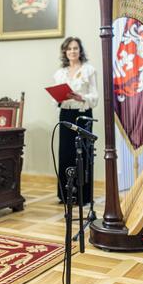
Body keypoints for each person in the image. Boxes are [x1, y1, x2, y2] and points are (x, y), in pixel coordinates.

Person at [53, 36, 98, 205]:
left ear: (80, 51)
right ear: (65, 52)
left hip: (82, 115)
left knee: (82, 154)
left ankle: (83, 196)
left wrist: (81, 97)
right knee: (65, 153)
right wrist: (58, 97)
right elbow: (55, 100)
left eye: (75, 48)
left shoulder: (89, 70)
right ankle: (64, 195)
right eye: (69, 48)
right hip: (65, 114)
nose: (72, 51)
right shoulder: (60, 73)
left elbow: (95, 97)